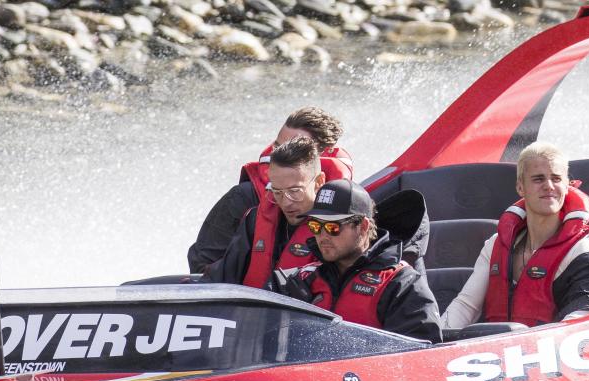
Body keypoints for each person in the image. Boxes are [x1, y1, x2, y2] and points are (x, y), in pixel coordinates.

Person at [442, 141, 589, 328]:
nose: (549, 186)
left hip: (548, 352)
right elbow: (466, 306)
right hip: (492, 351)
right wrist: (435, 344)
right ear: (520, 187)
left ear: (567, 187)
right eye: (538, 179)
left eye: (556, 179)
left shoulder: (582, 249)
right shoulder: (495, 245)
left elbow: (587, 311)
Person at [187, 107, 352, 273]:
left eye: (295, 148)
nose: (281, 154)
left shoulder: (348, 208)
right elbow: (201, 265)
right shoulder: (245, 198)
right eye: (278, 147)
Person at [279, 179, 443, 343]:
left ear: (363, 226)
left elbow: (417, 356)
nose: (322, 236)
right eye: (315, 226)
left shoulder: (403, 285)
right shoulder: (300, 280)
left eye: (332, 227)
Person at [202, 137, 329, 287]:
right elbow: (223, 276)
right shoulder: (254, 221)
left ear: (319, 182)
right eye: (277, 191)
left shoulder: (336, 229)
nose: (286, 202)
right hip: (255, 309)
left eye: (295, 191)